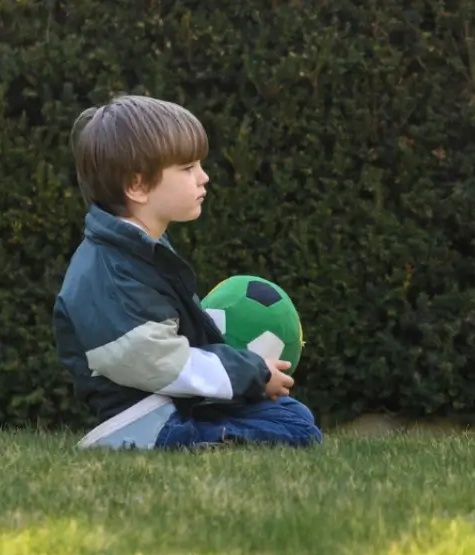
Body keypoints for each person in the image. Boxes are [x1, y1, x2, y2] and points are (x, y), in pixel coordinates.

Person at [52, 94, 323, 451]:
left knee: (294, 417)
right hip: (144, 413)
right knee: (295, 431)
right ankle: (148, 442)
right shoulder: (110, 271)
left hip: (172, 398)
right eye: (188, 168)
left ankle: (203, 433)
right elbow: (162, 362)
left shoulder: (141, 247)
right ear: (137, 185)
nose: (203, 177)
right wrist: (252, 372)